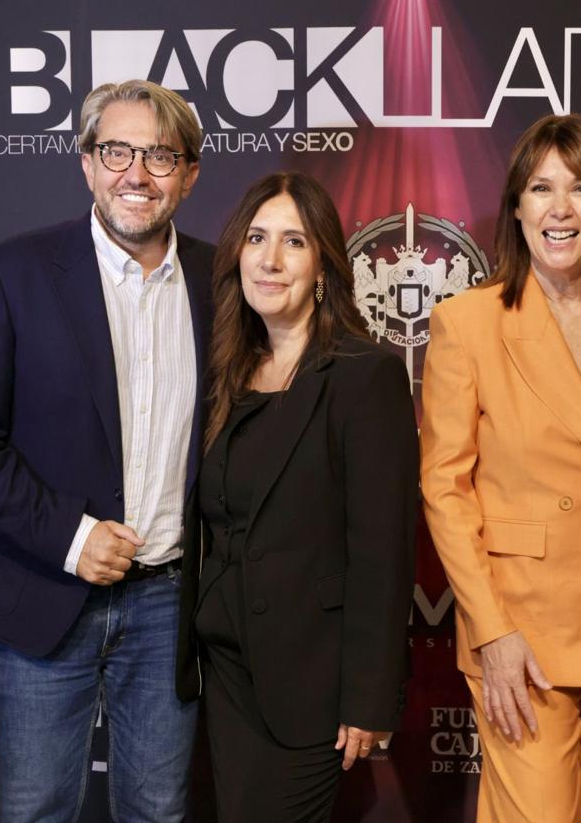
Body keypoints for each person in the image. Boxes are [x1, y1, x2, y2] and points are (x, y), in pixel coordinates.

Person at [0, 80, 211, 821]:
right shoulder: (11, 272)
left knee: (158, 810)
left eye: (159, 155)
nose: (136, 175)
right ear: (86, 164)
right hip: (42, 592)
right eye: (116, 151)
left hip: (171, 604)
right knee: (38, 809)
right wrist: (71, 536)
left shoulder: (224, 282)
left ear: (188, 174)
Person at [420, 113, 581, 823]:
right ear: (516, 207)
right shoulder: (468, 322)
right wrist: (493, 632)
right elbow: (444, 489)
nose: (560, 208)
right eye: (541, 188)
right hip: (523, 627)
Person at [174, 171, 418, 821]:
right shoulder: (225, 373)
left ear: (323, 265)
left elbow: (382, 551)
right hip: (225, 673)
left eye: (294, 242)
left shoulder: (365, 375)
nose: (271, 259)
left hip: (311, 682)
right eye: (256, 238)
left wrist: (369, 698)